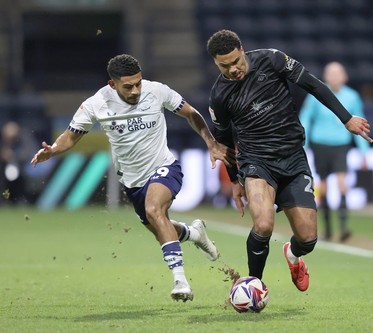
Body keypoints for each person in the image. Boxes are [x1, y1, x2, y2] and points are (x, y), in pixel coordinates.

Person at [31, 54, 235, 302]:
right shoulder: (97, 103)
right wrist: (53, 150)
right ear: (112, 84)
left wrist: (211, 143)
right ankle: (195, 234)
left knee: (154, 209)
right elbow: (71, 136)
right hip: (133, 182)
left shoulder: (157, 91)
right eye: (128, 86)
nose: (136, 90)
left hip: (164, 167)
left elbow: (192, 114)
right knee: (160, 226)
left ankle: (180, 281)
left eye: (138, 83)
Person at [206, 30, 372, 292]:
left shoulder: (271, 59)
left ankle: (293, 255)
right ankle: (253, 285)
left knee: (307, 238)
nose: (233, 69)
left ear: (242, 49)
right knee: (262, 224)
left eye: (236, 61)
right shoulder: (219, 96)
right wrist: (235, 179)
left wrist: (346, 118)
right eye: (224, 66)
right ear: (216, 63)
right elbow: (225, 141)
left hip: (293, 158)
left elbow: (314, 85)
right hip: (256, 161)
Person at [300, 62, 370, 242]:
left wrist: (364, 151)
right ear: (325, 76)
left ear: (345, 76)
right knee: (323, 185)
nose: (334, 77)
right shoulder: (318, 94)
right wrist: (304, 144)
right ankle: (328, 229)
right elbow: (306, 118)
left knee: (342, 182)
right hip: (320, 142)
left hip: (341, 144)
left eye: (338, 73)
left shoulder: (352, 96)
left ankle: (344, 227)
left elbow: (359, 121)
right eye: (331, 73)